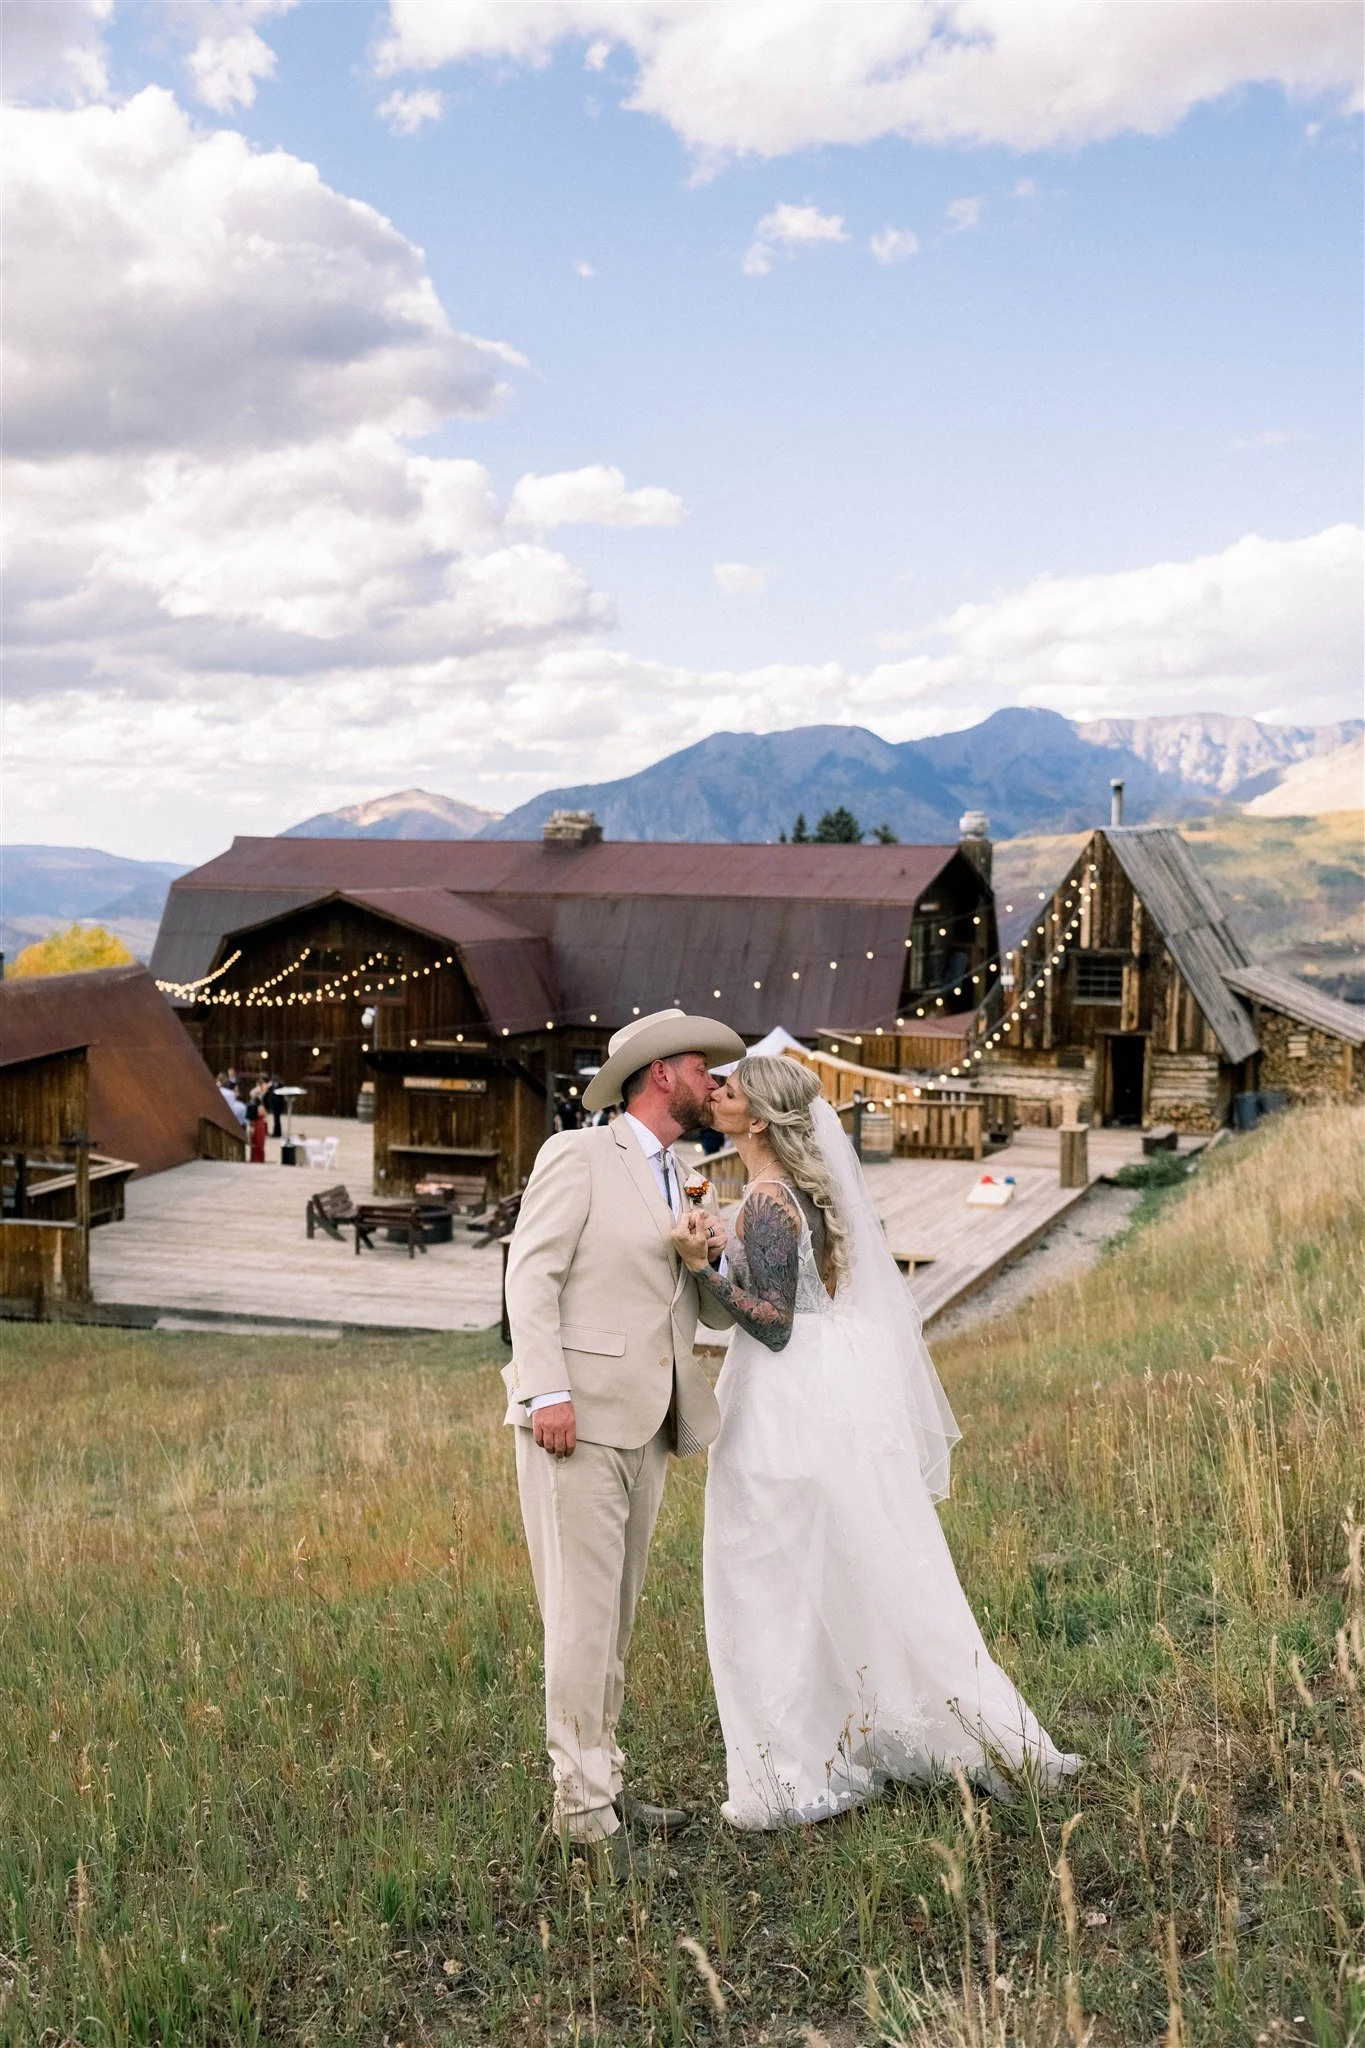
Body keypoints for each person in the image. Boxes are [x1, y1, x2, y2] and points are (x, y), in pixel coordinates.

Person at [671, 1055, 1080, 1828]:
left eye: (730, 1090)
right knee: (827, 1570)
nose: (714, 1095)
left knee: (767, 1577)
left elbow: (773, 1325)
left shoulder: (767, 1201)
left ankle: (793, 1772)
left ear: (756, 1118)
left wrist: (701, 1269)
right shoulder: (790, 1192)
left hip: (782, 1402)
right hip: (821, 1388)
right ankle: (849, 1734)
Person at [502, 1007, 744, 1875]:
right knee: (579, 1618)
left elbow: (712, 1311)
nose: (715, 1084)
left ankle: (601, 1777)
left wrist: (704, 1259)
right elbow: (530, 1275)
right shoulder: (577, 1155)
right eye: (703, 1069)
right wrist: (546, 1391)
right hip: (574, 1418)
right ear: (660, 1074)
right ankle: (580, 1816)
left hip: (651, 1419)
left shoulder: (685, 1175)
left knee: (615, 1617)